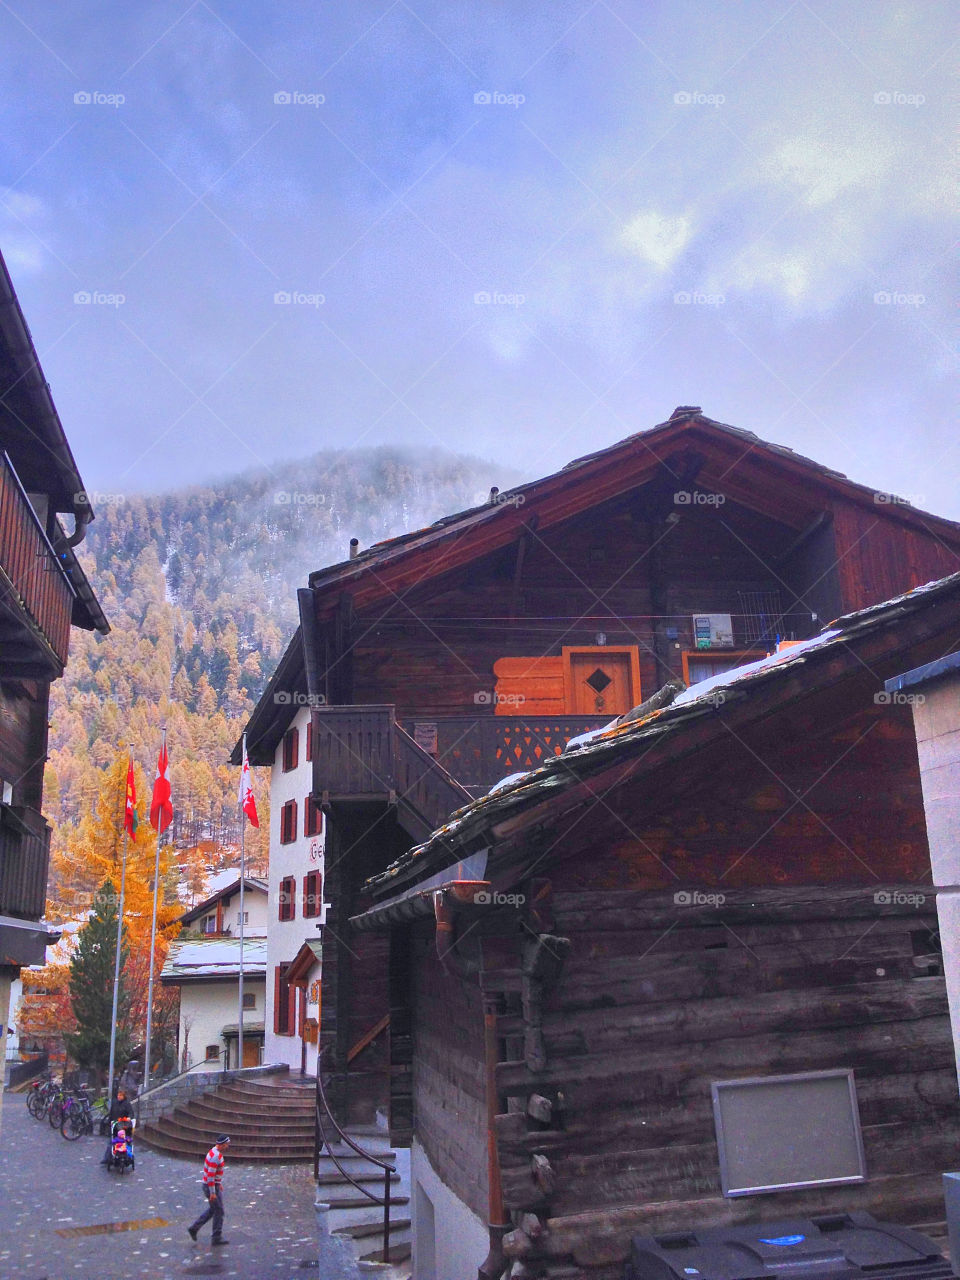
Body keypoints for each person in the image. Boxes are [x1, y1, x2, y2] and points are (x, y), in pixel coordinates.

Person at [187, 1135, 230, 1246]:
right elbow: (211, 1175)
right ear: (222, 1144)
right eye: (226, 1144)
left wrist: (218, 1183)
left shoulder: (212, 1151)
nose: (228, 1146)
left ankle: (194, 1228)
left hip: (210, 1185)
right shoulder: (216, 1156)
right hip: (211, 1186)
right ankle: (216, 1237)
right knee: (219, 1211)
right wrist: (213, 1193)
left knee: (213, 1210)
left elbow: (212, 1174)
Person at [100, 1088, 131, 1165]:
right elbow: (111, 1113)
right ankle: (108, 1157)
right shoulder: (115, 1103)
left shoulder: (126, 1104)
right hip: (115, 1124)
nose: (119, 1097)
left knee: (125, 1140)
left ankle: (127, 1155)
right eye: (118, 1095)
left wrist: (128, 1119)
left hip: (123, 1125)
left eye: (120, 1095)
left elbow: (130, 1113)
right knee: (111, 1141)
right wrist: (109, 1122)